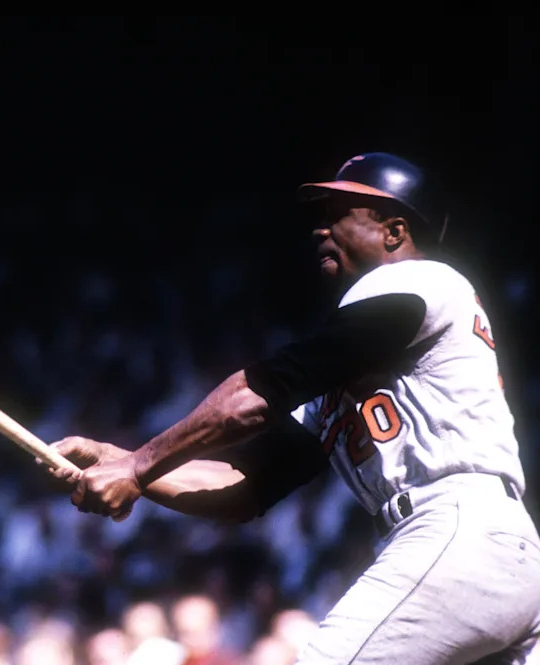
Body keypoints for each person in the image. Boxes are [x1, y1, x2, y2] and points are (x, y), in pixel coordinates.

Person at [47, 152, 540, 663]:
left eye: (339, 214)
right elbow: (242, 487)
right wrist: (120, 460)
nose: (320, 228)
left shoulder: (419, 280)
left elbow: (255, 397)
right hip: (491, 551)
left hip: (456, 531)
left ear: (395, 232)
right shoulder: (353, 362)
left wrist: (137, 466)